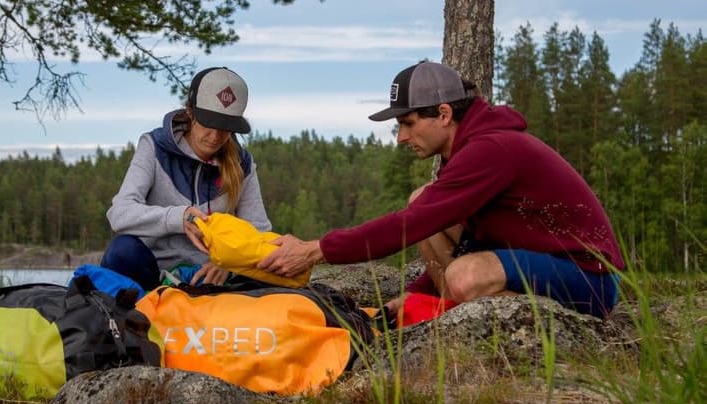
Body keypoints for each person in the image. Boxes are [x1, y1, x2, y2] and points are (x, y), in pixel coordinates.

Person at [256, 60, 624, 320]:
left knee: (463, 273)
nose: (401, 137)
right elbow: (471, 236)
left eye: (408, 123)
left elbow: (409, 226)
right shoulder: (468, 150)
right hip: (539, 263)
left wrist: (314, 250)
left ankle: (497, 319)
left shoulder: (490, 150)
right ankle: (445, 307)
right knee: (424, 200)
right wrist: (419, 292)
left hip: (588, 280)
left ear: (444, 114)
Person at [102, 66, 271, 290]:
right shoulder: (153, 147)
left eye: (226, 127)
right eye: (208, 123)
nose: (215, 136)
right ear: (190, 111)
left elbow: (259, 231)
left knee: (269, 265)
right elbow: (119, 214)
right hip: (152, 272)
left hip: (211, 277)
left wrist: (231, 262)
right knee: (121, 251)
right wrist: (179, 218)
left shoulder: (243, 165)